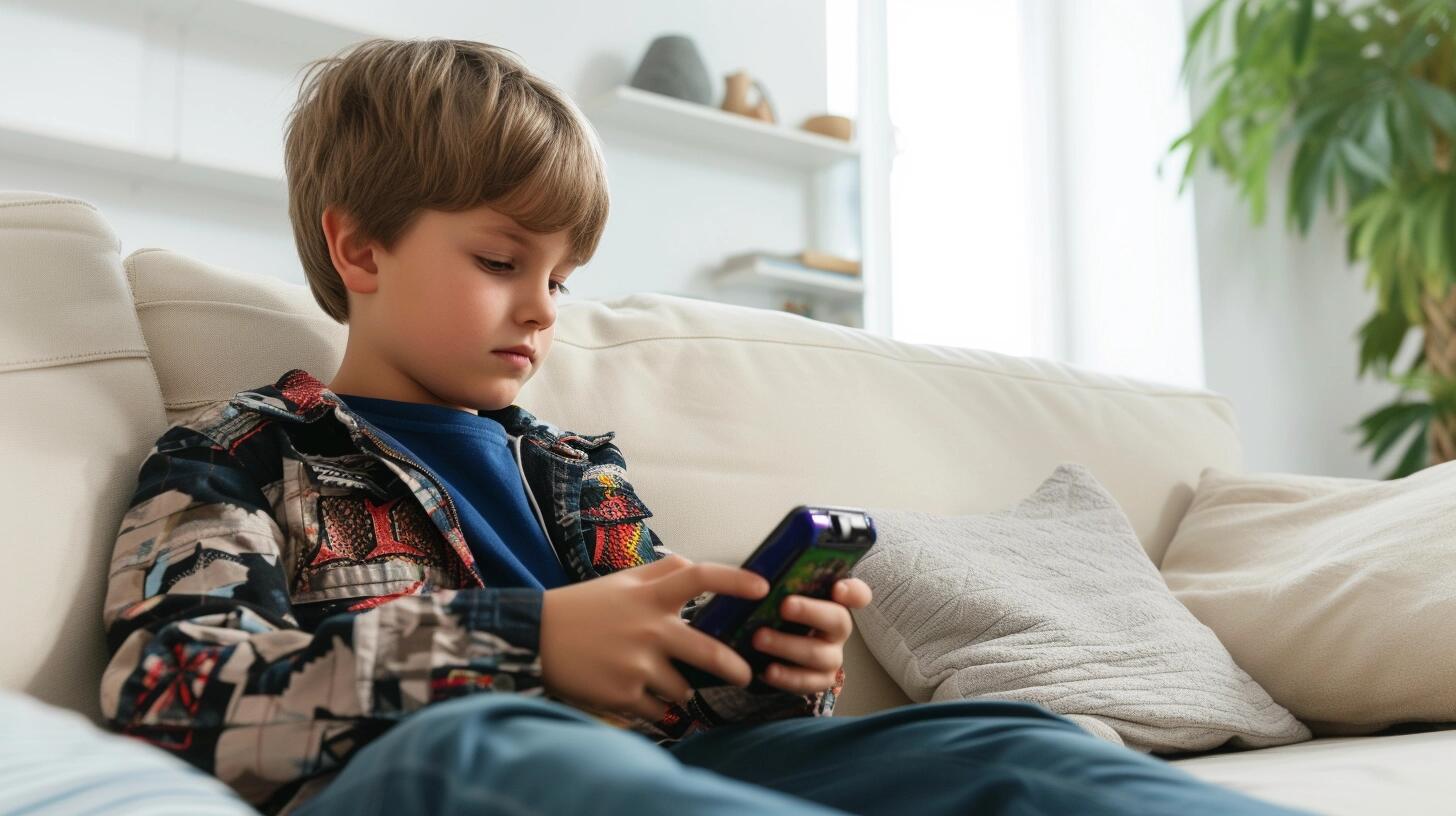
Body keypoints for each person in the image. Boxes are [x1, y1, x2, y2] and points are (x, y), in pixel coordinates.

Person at [98, 37, 1316, 816]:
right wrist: (524, 647)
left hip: (674, 776)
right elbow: (171, 691)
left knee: (1002, 741)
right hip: (439, 779)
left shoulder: (577, 471)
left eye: (562, 277)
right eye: (499, 259)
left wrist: (770, 675)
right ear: (357, 244)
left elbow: (689, 710)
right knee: (507, 748)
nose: (540, 306)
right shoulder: (241, 452)